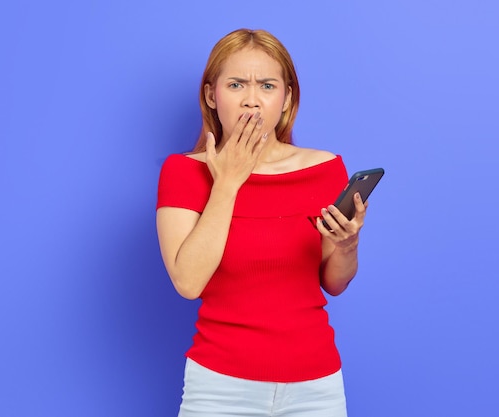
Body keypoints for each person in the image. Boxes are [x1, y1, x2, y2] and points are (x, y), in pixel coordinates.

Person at [156, 28, 368, 417]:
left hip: (316, 388)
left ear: (286, 98)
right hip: (219, 389)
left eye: (267, 85)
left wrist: (347, 246)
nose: (251, 100)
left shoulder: (325, 169)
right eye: (236, 84)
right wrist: (228, 182)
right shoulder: (182, 172)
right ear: (211, 95)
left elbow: (334, 283)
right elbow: (188, 282)